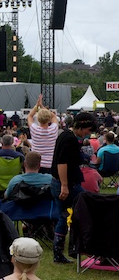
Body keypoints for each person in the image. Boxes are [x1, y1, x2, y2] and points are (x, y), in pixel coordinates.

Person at [51, 112, 96, 263]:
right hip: (67, 183)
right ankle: (70, 249)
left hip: (64, 182)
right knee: (78, 211)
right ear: (81, 126)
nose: (88, 134)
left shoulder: (64, 135)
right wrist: (64, 185)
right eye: (88, 130)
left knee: (65, 216)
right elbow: (62, 162)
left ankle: (63, 251)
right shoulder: (70, 139)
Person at [27, 95, 59, 174]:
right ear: (49, 119)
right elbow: (54, 116)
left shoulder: (34, 129)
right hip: (51, 164)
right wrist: (42, 106)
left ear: (38, 119)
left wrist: (37, 105)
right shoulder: (53, 129)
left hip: (37, 164)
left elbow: (30, 116)